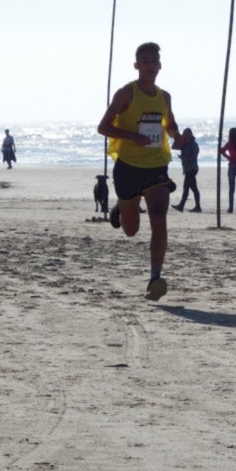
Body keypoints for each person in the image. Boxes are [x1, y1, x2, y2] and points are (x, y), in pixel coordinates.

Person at [97, 41, 182, 302]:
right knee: (131, 230)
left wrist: (178, 138)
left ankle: (155, 277)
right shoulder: (126, 94)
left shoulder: (164, 96)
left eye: (153, 61)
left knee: (159, 214)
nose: (149, 65)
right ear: (137, 65)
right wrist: (133, 137)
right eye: (144, 61)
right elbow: (103, 127)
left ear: (159, 66)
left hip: (157, 165)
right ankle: (122, 209)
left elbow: (169, 124)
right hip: (128, 168)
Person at [171, 127, 201, 212]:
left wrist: (183, 157)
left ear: (190, 135)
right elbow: (174, 147)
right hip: (187, 169)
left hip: (192, 169)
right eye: (184, 134)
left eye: (186, 135)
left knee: (190, 188)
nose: (185, 136)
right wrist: (177, 138)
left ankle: (183, 206)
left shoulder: (194, 144)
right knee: (190, 188)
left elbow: (193, 156)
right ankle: (192, 206)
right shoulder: (184, 144)